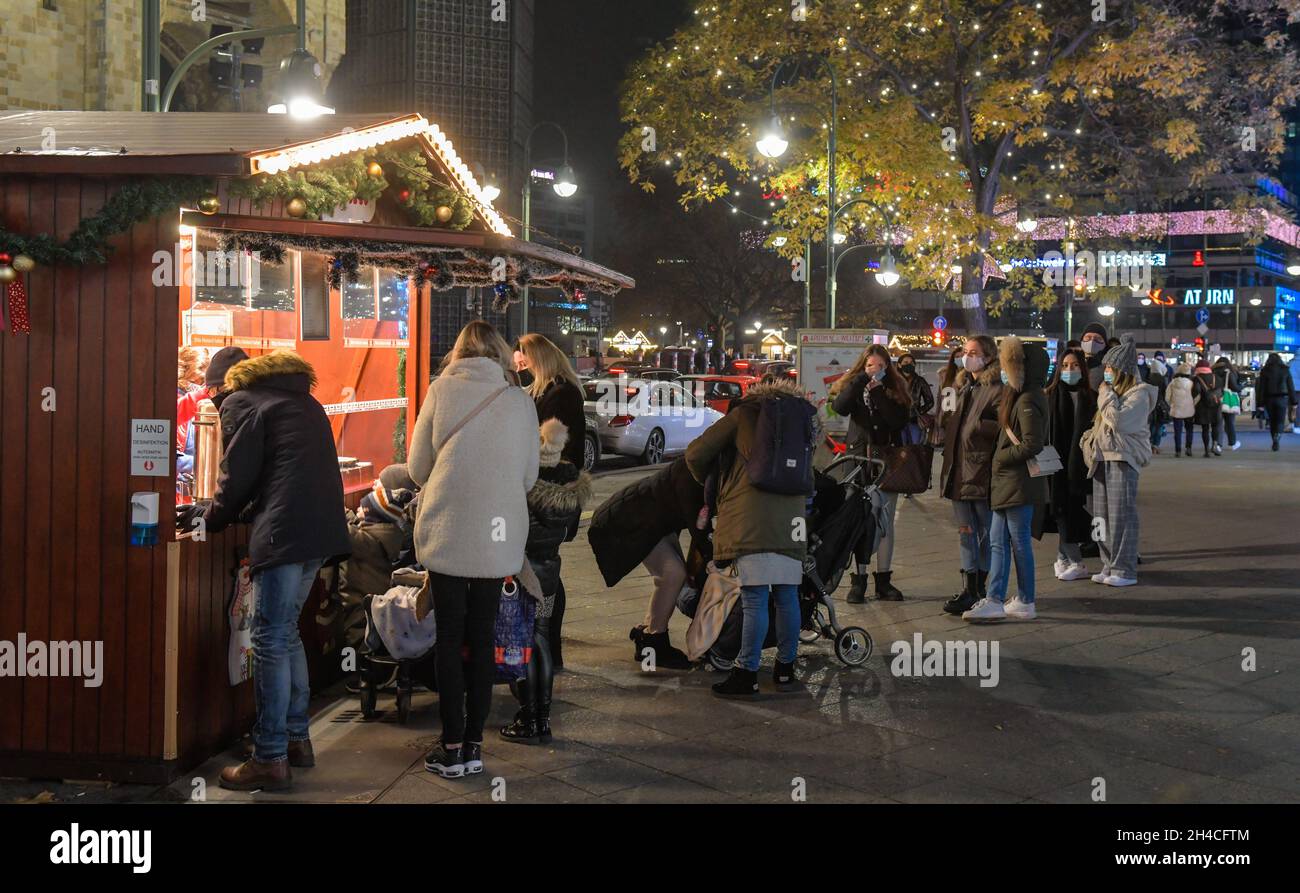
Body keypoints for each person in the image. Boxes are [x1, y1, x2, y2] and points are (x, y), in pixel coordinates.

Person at [177, 348, 351, 792]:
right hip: (319, 531)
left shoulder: (241, 402)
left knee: (270, 638)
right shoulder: (302, 399)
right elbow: (280, 472)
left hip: (285, 533)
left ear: (221, 387)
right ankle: (296, 740)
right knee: (287, 631)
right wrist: (223, 510)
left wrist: (210, 517)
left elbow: (237, 477)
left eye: (212, 395)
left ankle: (269, 756)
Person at [409, 321, 539, 780]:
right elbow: (528, 478)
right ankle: (475, 745)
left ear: (459, 352)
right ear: (501, 355)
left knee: (448, 638)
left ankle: (450, 745)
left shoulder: (440, 390)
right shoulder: (520, 402)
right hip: (498, 537)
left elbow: (417, 466)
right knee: (483, 638)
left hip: (448, 529)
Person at [685, 378, 818, 697]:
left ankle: (747, 673)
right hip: (792, 521)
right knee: (787, 597)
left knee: (755, 598)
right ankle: (786, 670)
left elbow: (695, 453)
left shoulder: (743, 414)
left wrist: (717, 484)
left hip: (749, 518)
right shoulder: (806, 419)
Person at [500, 418, 592, 744]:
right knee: (541, 639)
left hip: (523, 571)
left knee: (523, 644)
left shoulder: (522, 482)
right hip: (550, 570)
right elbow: (569, 535)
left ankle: (528, 716)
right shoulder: (570, 484)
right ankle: (543, 718)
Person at [588, 456, 708, 671]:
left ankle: (647, 634)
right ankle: (654, 641)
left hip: (648, 521)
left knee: (670, 576)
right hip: (628, 521)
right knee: (672, 574)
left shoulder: (695, 468)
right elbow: (698, 528)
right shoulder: (695, 476)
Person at [962, 336, 1048, 621]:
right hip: (1008, 483)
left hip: (1016, 481)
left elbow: (1032, 443)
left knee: (1016, 542)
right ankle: (1004, 598)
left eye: (1008, 363)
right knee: (999, 540)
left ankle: (1015, 599)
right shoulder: (1021, 394)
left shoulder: (1027, 398)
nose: (1003, 367)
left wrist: (1001, 458)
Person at [515, 333, 586, 667]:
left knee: (543, 570)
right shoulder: (554, 390)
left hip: (550, 495)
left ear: (538, 357)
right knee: (545, 569)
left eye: (524, 353)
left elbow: (549, 446)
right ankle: (546, 647)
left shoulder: (560, 394)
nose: (518, 357)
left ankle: (545, 649)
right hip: (553, 492)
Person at [829, 344, 913, 602]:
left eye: (879, 366)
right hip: (857, 459)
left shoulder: (895, 389)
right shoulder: (853, 384)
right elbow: (840, 407)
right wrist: (860, 381)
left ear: (887, 367)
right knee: (859, 520)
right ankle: (859, 579)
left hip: (885, 459)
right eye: (869, 366)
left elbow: (897, 420)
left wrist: (878, 393)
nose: (874, 371)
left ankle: (884, 579)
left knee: (885, 521)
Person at [1079, 334, 1156, 587]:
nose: (1106, 373)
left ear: (1122, 371)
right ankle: (1108, 562)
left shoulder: (1139, 395)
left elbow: (1119, 421)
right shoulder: (1111, 393)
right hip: (1101, 458)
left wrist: (1106, 395)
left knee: (1121, 516)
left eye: (1111, 368)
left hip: (1122, 460)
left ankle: (1124, 568)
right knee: (1100, 517)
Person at [939, 335, 1004, 615]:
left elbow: (1003, 427)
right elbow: (945, 420)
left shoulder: (996, 388)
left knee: (986, 532)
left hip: (980, 469)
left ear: (988, 356)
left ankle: (983, 587)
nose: (967, 357)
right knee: (965, 531)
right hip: (958, 469)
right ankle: (969, 586)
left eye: (974, 352)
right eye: (965, 352)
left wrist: (978, 425)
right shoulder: (963, 386)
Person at [1042, 347, 1096, 582]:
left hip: (1079, 466)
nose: (1069, 370)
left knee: (1069, 511)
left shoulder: (1090, 397)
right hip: (1055, 463)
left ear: (1082, 368)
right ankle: (1075, 561)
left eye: (1074, 365)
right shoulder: (1050, 394)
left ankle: (1064, 559)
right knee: (1062, 511)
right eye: (1065, 366)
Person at [1257, 352, 1297, 450]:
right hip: (1282, 398)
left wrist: (1260, 403)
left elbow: (1261, 388)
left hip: (1269, 399)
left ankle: (1274, 439)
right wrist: (1294, 402)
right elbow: (1290, 387)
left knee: (1272, 420)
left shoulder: (1265, 371)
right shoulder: (1285, 370)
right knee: (1280, 420)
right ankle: (1277, 437)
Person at [896, 351, 935, 445]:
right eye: (905, 362)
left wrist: (918, 412)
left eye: (911, 363)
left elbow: (930, 401)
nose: (909, 364)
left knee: (915, 448)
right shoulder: (894, 380)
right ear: (899, 365)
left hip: (914, 421)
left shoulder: (920, 381)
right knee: (900, 448)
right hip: (897, 420)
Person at [1193, 359, 1223, 457]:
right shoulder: (1216, 377)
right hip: (1216, 405)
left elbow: (1196, 391)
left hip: (1203, 407)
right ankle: (1215, 444)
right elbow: (1221, 391)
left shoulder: (1196, 378)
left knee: (1205, 428)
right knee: (1215, 426)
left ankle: (1206, 450)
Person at [1213, 356, 1243, 451]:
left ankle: (1217, 444)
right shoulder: (1229, 372)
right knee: (1230, 422)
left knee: (1217, 423)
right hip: (1227, 400)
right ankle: (1232, 443)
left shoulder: (1212, 372)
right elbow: (1234, 387)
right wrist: (1240, 387)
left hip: (1216, 399)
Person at [1166, 362, 1196, 456]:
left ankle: (1178, 450)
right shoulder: (1191, 383)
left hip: (1176, 409)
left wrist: (1172, 404)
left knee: (1177, 431)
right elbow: (1196, 396)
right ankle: (1188, 448)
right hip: (1189, 409)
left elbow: (1167, 397)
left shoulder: (1173, 383)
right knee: (1189, 429)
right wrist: (1193, 404)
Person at [1080, 323, 1109, 389]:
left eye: (1098, 338)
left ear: (1105, 343)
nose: (1092, 341)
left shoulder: (1110, 364)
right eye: (1088, 337)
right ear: (1082, 340)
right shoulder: (1072, 360)